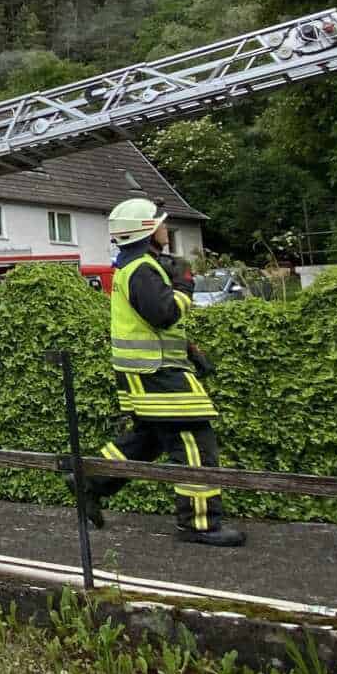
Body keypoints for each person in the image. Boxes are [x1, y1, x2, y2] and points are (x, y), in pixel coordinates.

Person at [77, 197, 246, 548]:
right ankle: (200, 524)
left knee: (150, 439)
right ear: (146, 231)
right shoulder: (142, 269)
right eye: (160, 223)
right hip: (157, 374)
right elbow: (164, 314)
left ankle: (90, 482)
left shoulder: (134, 267)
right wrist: (184, 286)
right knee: (195, 442)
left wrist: (189, 350)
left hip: (148, 372)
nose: (165, 228)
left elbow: (148, 325)